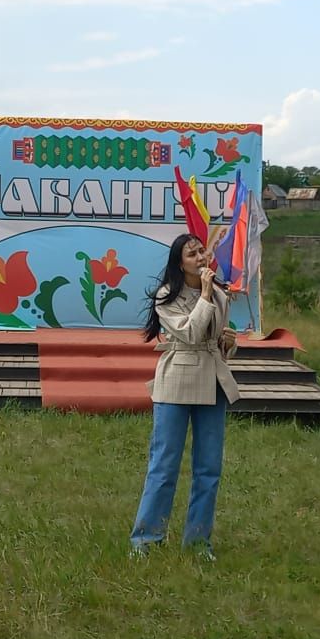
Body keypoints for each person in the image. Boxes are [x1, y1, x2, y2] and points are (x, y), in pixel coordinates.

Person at [129, 233, 240, 561]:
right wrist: (205, 293)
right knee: (164, 465)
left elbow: (212, 339)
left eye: (202, 252)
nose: (200, 258)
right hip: (177, 380)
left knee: (209, 467)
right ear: (180, 263)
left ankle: (198, 542)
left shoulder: (220, 295)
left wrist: (228, 342)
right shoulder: (167, 295)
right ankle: (146, 540)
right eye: (192, 255)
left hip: (213, 380)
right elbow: (190, 333)